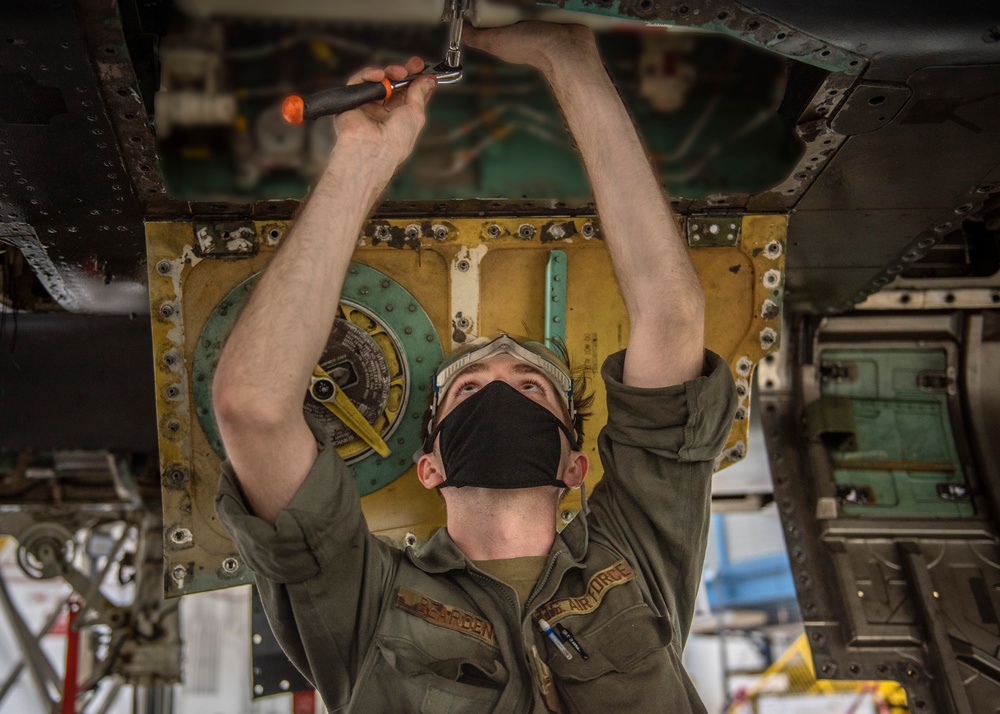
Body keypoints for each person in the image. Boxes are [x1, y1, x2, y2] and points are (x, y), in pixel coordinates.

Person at [213, 21, 737, 714]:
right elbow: (671, 322)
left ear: (575, 464)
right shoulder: (368, 601)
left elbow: (251, 409)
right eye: (470, 389)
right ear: (428, 464)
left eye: (527, 387)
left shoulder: (617, 558)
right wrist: (364, 156)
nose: (496, 387)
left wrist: (567, 60)